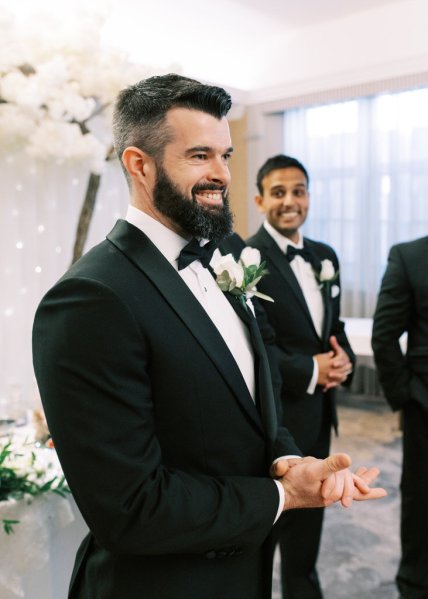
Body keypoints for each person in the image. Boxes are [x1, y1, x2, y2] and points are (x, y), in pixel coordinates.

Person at [32, 75, 385, 599]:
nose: (222, 174)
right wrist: (280, 495)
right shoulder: (90, 298)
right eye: (200, 155)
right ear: (139, 164)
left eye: (226, 155)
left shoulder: (220, 259)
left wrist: (287, 457)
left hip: (241, 573)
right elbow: (131, 508)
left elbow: (248, 399)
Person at [247, 154, 356, 599]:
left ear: (308, 196)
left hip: (317, 421)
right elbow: (254, 345)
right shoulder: (244, 258)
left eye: (298, 191)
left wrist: (343, 358)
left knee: (305, 543)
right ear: (260, 200)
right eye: (278, 192)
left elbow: (334, 327)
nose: (290, 201)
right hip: (271, 424)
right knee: (260, 542)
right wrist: (311, 368)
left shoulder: (324, 256)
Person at [372, 237, 428, 599]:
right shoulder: (409, 256)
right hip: (426, 406)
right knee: (422, 502)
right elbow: (385, 335)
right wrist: (408, 396)